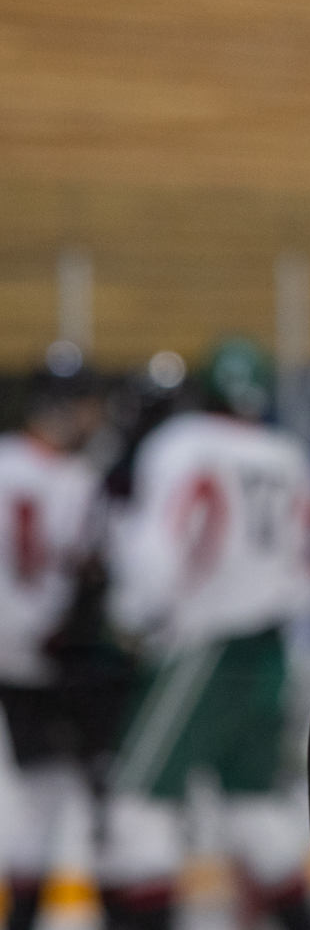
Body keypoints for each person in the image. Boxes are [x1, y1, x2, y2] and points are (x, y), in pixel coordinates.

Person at [100, 339, 310, 930]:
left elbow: (158, 553)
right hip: (270, 651)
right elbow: (308, 564)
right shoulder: (289, 453)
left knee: (137, 807)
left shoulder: (185, 444)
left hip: (203, 648)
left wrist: (130, 619)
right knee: (254, 807)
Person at [0, 344, 105, 929]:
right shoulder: (76, 480)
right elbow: (88, 571)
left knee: (42, 800)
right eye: (86, 404)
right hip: (49, 661)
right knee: (73, 802)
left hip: (17, 660)